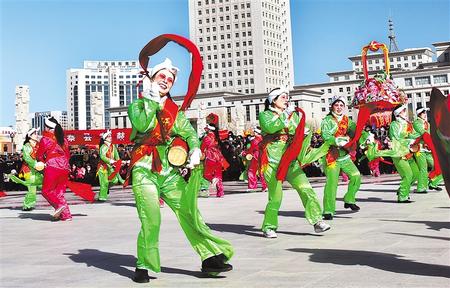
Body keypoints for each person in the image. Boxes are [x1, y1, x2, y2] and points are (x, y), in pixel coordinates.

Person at [127, 58, 233, 283]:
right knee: (151, 219)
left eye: (170, 79)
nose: (165, 81)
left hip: (168, 170)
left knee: (189, 210)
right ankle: (142, 265)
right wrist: (152, 100)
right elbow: (144, 125)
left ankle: (209, 257)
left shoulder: (175, 111)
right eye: (161, 77)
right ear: (151, 78)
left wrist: (194, 149)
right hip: (144, 168)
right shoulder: (137, 105)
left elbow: (189, 133)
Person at [259, 87, 330, 238]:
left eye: (287, 97)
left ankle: (317, 220)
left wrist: (303, 134)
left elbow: (299, 130)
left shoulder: (292, 115)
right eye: (283, 97)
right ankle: (269, 226)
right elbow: (271, 128)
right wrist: (286, 116)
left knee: (306, 188)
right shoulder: (265, 115)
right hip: (272, 160)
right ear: (273, 100)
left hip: (290, 159)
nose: (286, 99)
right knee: (276, 197)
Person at [320, 96, 361, 220]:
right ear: (332, 106)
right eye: (336, 105)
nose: (339, 107)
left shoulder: (347, 120)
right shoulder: (327, 120)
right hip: (332, 156)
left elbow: (356, 131)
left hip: (344, 155)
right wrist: (338, 140)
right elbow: (326, 135)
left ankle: (349, 199)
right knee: (332, 184)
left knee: (356, 175)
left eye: (341, 105)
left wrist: (364, 136)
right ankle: (328, 210)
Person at [36, 117, 72, 221]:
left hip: (53, 166)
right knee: (59, 193)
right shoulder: (63, 140)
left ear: (47, 127)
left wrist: (41, 163)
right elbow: (68, 155)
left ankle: (58, 206)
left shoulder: (45, 139)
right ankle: (66, 215)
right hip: (65, 168)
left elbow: (39, 155)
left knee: (46, 190)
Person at [389, 105, 420, 203]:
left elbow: (413, 134)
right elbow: (395, 138)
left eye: (405, 111)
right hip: (398, 153)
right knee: (408, 174)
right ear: (398, 114)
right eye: (403, 111)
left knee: (415, 174)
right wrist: (409, 141)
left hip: (408, 152)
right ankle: (402, 197)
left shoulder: (407, 124)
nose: (405, 113)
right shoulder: (394, 124)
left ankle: (402, 189)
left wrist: (423, 135)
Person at [9, 128, 43, 211]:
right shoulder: (26, 146)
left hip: (38, 170)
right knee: (32, 188)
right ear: (30, 136)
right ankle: (27, 205)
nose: (37, 135)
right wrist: (36, 164)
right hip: (28, 170)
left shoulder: (38, 145)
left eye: (37, 133)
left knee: (44, 184)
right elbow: (27, 158)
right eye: (35, 133)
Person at [412, 105, 443, 192]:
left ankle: (433, 182)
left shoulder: (427, 123)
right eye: (423, 112)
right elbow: (424, 134)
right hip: (419, 148)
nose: (425, 114)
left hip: (428, 149)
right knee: (423, 168)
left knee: (437, 165)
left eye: (425, 112)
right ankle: (421, 188)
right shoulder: (416, 123)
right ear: (419, 114)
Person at [200, 113, 229, 198]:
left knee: (207, 174)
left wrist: (200, 153)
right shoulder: (217, 137)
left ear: (209, 130)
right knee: (218, 175)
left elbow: (202, 148)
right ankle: (220, 192)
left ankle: (212, 180)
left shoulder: (207, 138)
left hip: (210, 156)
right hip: (219, 157)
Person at [96, 130, 125, 202]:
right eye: (108, 136)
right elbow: (102, 156)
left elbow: (117, 157)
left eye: (110, 136)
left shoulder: (113, 146)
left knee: (115, 180)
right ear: (105, 138)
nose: (110, 137)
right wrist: (110, 161)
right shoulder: (103, 147)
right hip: (103, 167)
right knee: (104, 182)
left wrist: (119, 162)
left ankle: (106, 188)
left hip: (111, 167)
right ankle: (102, 197)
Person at [242, 126, 267, 192]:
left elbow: (251, 149)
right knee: (262, 171)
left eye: (254, 132)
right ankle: (265, 186)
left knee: (251, 171)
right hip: (263, 156)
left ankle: (252, 186)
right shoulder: (263, 139)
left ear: (257, 132)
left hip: (256, 156)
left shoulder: (255, 140)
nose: (253, 133)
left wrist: (244, 153)